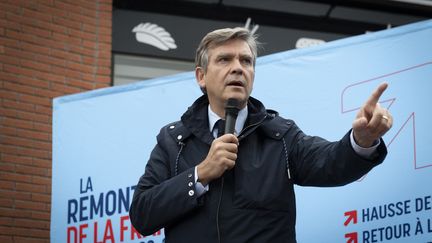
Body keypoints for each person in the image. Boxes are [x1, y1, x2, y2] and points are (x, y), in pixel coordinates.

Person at [129, 27, 393, 243]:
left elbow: (331, 163)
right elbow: (142, 214)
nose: (238, 68)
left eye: (246, 61)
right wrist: (200, 174)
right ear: (201, 76)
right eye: (224, 59)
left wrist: (362, 140)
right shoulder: (173, 140)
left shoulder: (281, 136)